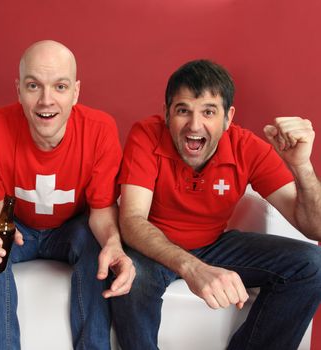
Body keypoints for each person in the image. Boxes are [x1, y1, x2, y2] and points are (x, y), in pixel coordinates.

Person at [111, 59, 321, 350]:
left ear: (228, 117)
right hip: (152, 246)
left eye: (208, 112)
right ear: (166, 113)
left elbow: (316, 229)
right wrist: (192, 268)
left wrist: (302, 167)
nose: (194, 126)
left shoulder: (248, 148)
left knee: (312, 264)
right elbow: (132, 220)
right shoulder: (146, 134)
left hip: (214, 244)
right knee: (134, 279)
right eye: (183, 110)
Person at [0, 40, 135, 350]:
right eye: (34, 86)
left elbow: (100, 212)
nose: (46, 100)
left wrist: (113, 243)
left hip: (72, 228)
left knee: (97, 245)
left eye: (60, 86)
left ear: (76, 92)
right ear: (18, 90)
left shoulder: (100, 130)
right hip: (17, 229)